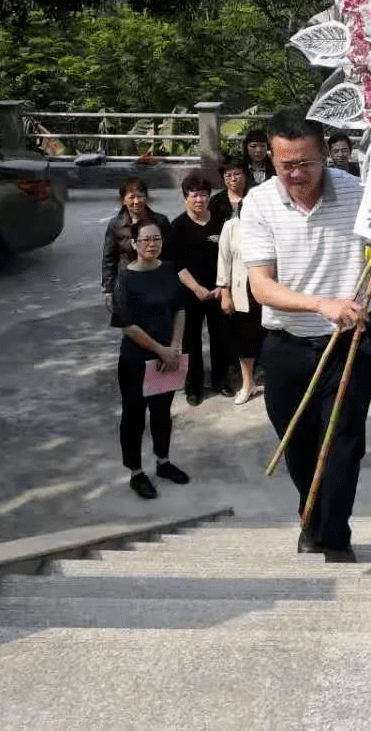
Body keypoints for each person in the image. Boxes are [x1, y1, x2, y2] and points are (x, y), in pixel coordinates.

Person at [242, 109, 371, 562]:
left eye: (305, 164)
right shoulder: (258, 202)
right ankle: (311, 517)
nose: (295, 174)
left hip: (349, 343)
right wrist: (320, 304)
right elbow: (261, 286)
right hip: (287, 342)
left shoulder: (361, 192)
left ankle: (334, 538)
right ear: (270, 158)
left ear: (323, 156)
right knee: (297, 445)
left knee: (342, 446)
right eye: (284, 164)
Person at [111, 219, 190, 499]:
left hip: (167, 358)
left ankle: (163, 462)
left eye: (156, 239)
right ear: (134, 244)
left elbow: (180, 308)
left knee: (162, 413)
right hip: (136, 360)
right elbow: (127, 325)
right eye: (145, 240)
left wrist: (175, 346)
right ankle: (135, 471)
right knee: (134, 416)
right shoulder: (125, 277)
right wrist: (161, 350)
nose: (151, 244)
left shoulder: (169, 270)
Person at [170, 171, 231, 405]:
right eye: (194, 195)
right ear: (186, 197)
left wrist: (221, 286)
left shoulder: (219, 222)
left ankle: (221, 381)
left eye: (204, 195)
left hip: (218, 291)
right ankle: (193, 387)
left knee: (221, 338)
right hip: (189, 293)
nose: (199, 200)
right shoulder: (177, 226)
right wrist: (196, 288)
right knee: (190, 342)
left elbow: (229, 256)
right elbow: (177, 265)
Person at [217, 200, 263, 406]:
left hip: (268, 291)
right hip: (242, 292)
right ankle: (247, 384)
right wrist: (225, 292)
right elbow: (224, 260)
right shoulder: (231, 227)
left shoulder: (269, 225)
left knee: (271, 339)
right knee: (245, 341)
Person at [101, 179, 171, 308]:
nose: (136, 201)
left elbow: (170, 254)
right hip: (127, 284)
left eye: (140, 196)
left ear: (146, 198)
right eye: (132, 197)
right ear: (123, 200)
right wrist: (108, 290)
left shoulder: (160, 221)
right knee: (131, 325)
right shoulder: (116, 225)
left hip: (155, 282)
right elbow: (109, 259)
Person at [209, 157, 249, 225]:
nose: (233, 179)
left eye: (237, 174)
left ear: (245, 175)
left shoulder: (253, 197)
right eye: (228, 176)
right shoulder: (215, 201)